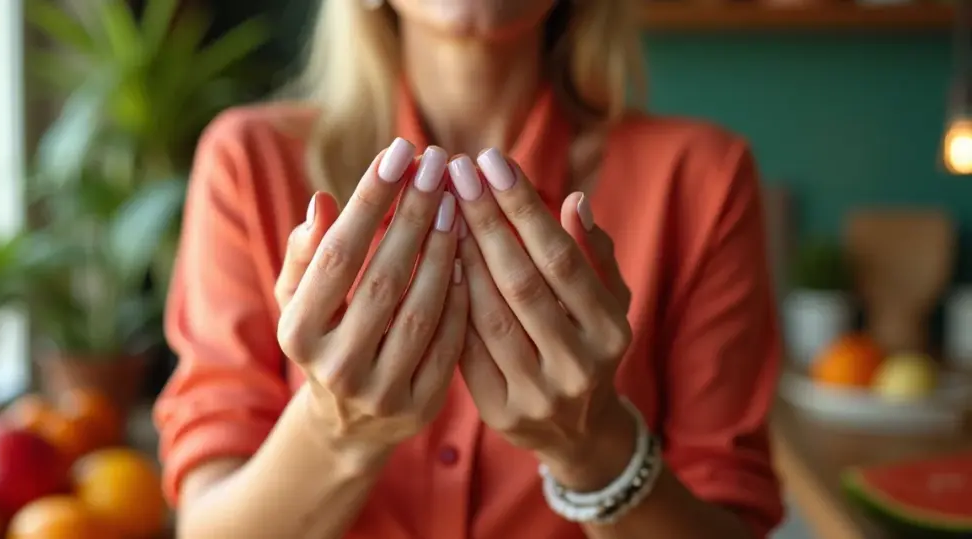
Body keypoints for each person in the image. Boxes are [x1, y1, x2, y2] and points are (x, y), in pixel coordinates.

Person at [153, 0, 785, 537]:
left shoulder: (703, 179)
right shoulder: (249, 163)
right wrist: (334, 429)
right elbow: (205, 523)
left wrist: (593, 447)